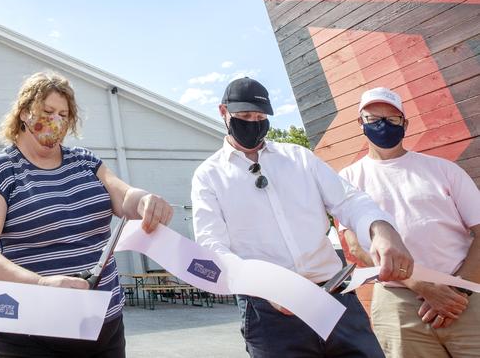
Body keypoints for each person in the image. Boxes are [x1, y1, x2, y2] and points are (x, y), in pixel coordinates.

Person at [191, 77, 414, 357]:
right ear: (224, 112)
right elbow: (212, 245)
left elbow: (349, 200)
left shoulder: (299, 157)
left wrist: (380, 229)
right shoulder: (208, 176)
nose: (254, 123)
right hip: (268, 310)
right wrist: (262, 284)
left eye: (260, 117)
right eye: (245, 116)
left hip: (334, 295)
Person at [0, 72, 173, 358]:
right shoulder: (3, 170)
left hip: (104, 326)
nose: (57, 121)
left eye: (64, 114)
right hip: (31, 333)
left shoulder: (85, 161)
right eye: (48, 111)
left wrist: (145, 200)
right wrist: (41, 284)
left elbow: (123, 196)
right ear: (25, 113)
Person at [339, 87, 480, 358]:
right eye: (373, 119)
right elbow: (357, 248)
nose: (383, 125)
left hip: (464, 296)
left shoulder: (444, 170)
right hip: (398, 304)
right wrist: (422, 286)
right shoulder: (347, 180)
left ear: (405, 123)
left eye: (392, 119)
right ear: (361, 124)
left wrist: (458, 290)